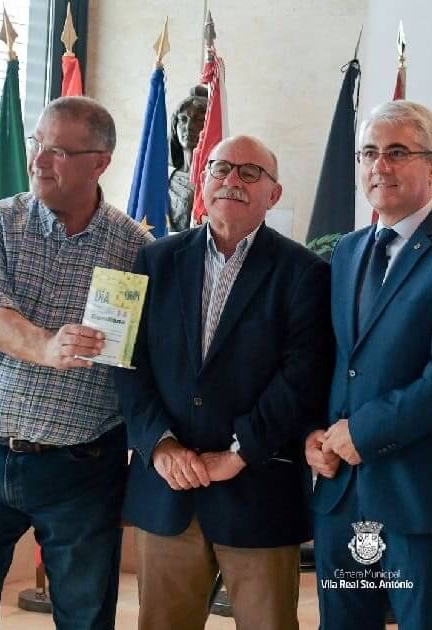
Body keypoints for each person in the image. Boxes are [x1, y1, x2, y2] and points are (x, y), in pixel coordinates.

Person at [0, 96, 152, 630]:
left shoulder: (137, 250)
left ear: (99, 162)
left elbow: (150, 358)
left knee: (84, 615)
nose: (37, 162)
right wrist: (46, 347)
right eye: (37, 145)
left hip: (80, 470)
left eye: (57, 151)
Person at [116, 134, 333, 630]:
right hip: (168, 490)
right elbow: (124, 362)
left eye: (250, 173)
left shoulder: (306, 273)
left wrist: (238, 453)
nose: (232, 181)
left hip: (258, 490)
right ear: (201, 178)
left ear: (273, 195)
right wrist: (160, 446)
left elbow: (302, 377)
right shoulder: (151, 260)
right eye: (221, 168)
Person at [308, 100, 432, 630]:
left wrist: (361, 433)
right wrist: (314, 435)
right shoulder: (346, 251)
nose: (379, 166)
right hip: (341, 495)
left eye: (397, 153)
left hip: (415, 501)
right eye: (369, 153)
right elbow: (332, 362)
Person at [168, 86, 208, 232]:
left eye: (198, 120)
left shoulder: (218, 179)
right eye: (183, 119)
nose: (189, 127)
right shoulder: (165, 177)